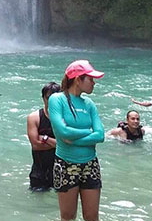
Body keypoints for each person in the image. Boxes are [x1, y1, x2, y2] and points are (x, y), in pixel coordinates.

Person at [48, 60, 105, 221]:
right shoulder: (57, 99)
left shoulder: (89, 104)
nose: (94, 83)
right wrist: (88, 133)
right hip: (66, 164)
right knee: (67, 216)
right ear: (78, 79)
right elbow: (62, 131)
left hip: (90, 164)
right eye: (90, 79)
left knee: (92, 217)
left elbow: (100, 135)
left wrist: (72, 139)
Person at [27, 81, 60, 190]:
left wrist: (45, 139)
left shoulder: (66, 118)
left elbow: (71, 144)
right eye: (48, 98)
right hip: (39, 171)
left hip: (61, 170)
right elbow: (36, 145)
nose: (51, 102)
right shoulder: (34, 117)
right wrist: (59, 144)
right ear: (43, 98)